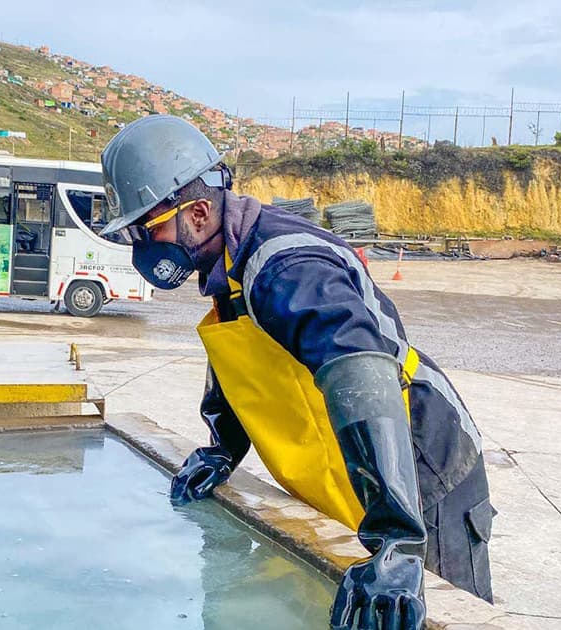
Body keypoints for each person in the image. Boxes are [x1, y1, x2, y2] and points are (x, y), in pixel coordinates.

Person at [99, 115, 493, 630]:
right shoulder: (228, 265)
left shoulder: (289, 265)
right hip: (356, 456)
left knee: (413, 610)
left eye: (144, 229)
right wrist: (224, 448)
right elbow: (245, 363)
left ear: (197, 213)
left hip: (422, 458)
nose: (139, 246)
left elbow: (360, 375)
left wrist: (399, 543)